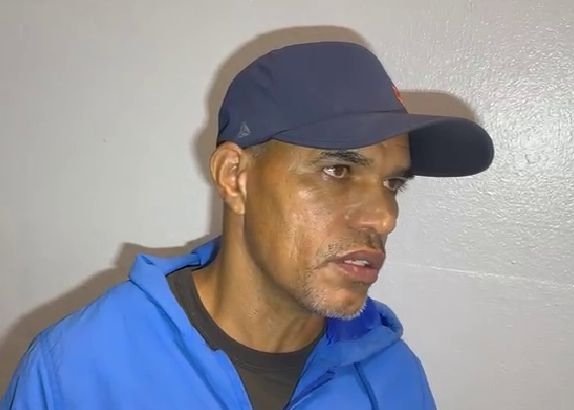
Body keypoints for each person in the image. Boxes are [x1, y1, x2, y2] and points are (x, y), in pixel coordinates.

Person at [1, 40, 493, 409]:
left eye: (393, 183)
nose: (384, 217)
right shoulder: (79, 369)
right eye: (338, 171)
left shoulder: (391, 378)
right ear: (235, 177)